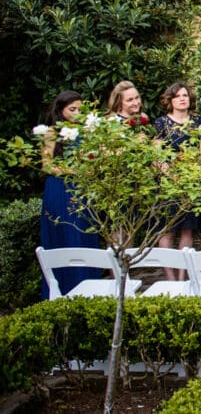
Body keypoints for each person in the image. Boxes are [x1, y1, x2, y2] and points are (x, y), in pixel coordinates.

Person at [39, 90, 100, 298]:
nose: (76, 113)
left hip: (83, 189)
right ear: (61, 110)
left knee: (85, 234)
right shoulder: (51, 133)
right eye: (72, 109)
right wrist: (74, 171)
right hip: (59, 189)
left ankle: (90, 288)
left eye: (80, 109)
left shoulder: (88, 132)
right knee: (65, 235)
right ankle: (63, 290)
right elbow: (47, 166)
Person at [153, 82, 201, 277]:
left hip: (191, 184)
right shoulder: (161, 123)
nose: (183, 98)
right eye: (178, 96)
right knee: (166, 230)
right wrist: (173, 177)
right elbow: (157, 157)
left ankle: (184, 276)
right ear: (170, 100)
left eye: (185, 95)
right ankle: (170, 277)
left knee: (187, 230)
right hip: (167, 185)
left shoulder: (198, 122)